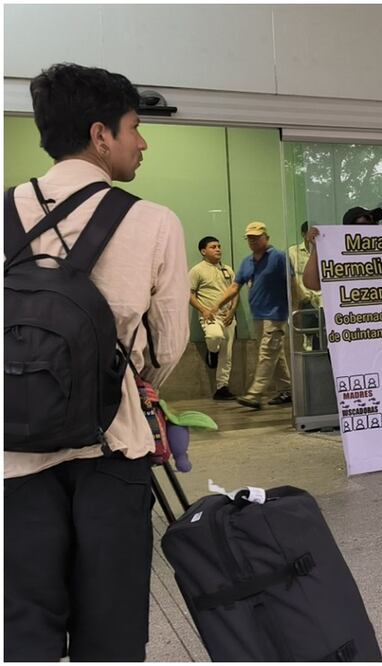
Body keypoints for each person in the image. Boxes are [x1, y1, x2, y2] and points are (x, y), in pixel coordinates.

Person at [4, 63, 189, 662]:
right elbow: (167, 348)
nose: (143, 141)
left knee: (21, 629)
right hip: (113, 448)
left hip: (13, 456)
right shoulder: (154, 222)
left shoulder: (4, 214)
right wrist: (121, 384)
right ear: (101, 134)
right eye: (135, 126)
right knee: (110, 631)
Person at [212, 221, 292, 409]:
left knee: (266, 353)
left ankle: (255, 394)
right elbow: (234, 286)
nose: (253, 241)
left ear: (266, 237)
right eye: (250, 238)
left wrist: (297, 305)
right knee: (274, 352)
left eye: (257, 237)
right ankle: (286, 390)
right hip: (258, 315)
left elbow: (292, 283)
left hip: (276, 314)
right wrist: (217, 305)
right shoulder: (247, 262)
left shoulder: (279, 257)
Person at [188, 236, 238, 399]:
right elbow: (189, 294)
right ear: (203, 251)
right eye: (213, 247)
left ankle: (222, 388)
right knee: (214, 336)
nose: (218, 249)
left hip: (228, 317)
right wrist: (203, 310)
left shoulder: (228, 270)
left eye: (219, 246)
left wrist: (232, 311)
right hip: (210, 316)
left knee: (227, 354)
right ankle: (212, 352)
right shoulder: (197, 270)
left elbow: (235, 291)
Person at [301, 205, 382, 292]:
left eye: (374, 224)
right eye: (364, 224)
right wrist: (317, 246)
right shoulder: (339, 255)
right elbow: (311, 283)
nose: (371, 228)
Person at [288, 221, 322, 351]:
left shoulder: (325, 250)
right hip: (304, 298)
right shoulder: (293, 251)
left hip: (322, 299)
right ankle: (308, 340)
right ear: (303, 234)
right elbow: (290, 277)